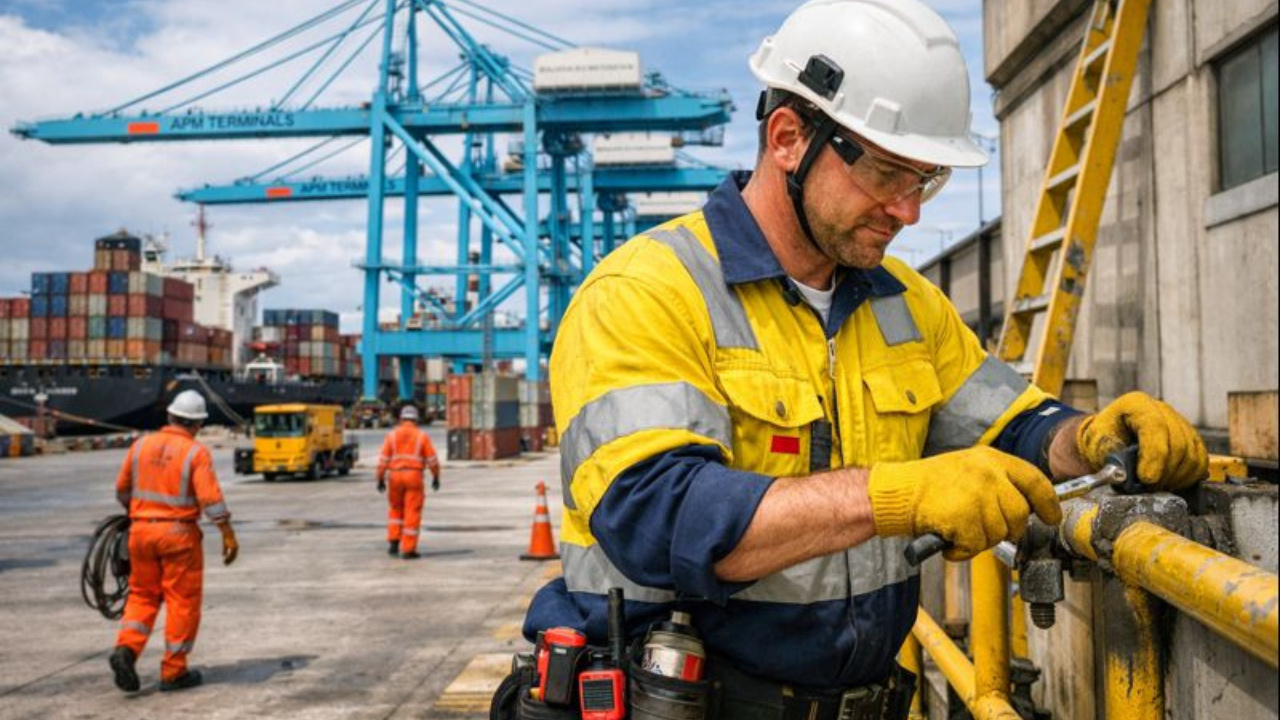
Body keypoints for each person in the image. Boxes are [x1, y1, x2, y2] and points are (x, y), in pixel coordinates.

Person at [517, 0, 1208, 713]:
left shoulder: (906, 303)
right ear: (788, 138)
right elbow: (655, 516)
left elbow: (1011, 429)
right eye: (887, 174)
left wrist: (1089, 438)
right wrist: (897, 496)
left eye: (925, 181)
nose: (908, 210)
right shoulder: (646, 292)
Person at [109, 390, 239, 693]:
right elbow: (211, 499)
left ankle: (126, 649)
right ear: (198, 424)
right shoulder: (195, 452)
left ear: (169, 416)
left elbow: (122, 489)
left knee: (141, 596)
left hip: (140, 533)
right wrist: (228, 533)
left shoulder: (140, 446)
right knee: (182, 602)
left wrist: (139, 515)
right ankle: (173, 671)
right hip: (178, 535)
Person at [376, 404, 441, 559]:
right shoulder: (421, 436)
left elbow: (383, 460)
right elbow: (432, 460)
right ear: (416, 419)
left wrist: (380, 479)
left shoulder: (391, 436)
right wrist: (436, 477)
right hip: (414, 476)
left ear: (401, 418)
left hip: (395, 476)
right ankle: (408, 549)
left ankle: (393, 543)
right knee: (412, 511)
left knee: (395, 509)